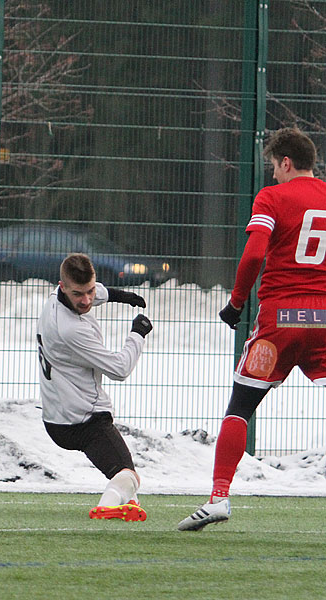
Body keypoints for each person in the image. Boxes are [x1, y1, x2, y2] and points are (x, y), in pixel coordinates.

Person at [179, 127, 326, 531]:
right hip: (324, 320)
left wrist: (237, 302)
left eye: (273, 167)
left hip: (281, 320)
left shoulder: (273, 197)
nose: (273, 175)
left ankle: (219, 497)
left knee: (240, 408)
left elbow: (255, 253)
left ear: (286, 162)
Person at [37, 253, 153, 522]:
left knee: (125, 477)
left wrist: (121, 296)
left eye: (90, 290)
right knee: (128, 475)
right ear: (63, 286)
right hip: (83, 419)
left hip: (57, 416)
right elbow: (119, 369)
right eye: (79, 294)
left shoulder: (57, 298)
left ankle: (129, 503)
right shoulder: (70, 329)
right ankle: (107, 507)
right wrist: (137, 334)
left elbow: (96, 292)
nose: (87, 300)